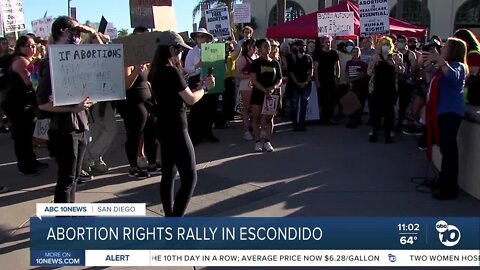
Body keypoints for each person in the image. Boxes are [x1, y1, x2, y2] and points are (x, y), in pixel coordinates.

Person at [148, 31, 215, 217]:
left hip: (162, 125)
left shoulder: (155, 70)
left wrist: (197, 87)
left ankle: (170, 214)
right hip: (176, 127)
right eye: (179, 51)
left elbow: (177, 94)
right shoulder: (171, 71)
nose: (180, 55)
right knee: (190, 177)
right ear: (171, 49)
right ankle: (175, 220)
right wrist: (205, 88)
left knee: (168, 173)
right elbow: (191, 99)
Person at [36, 16, 96, 203]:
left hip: (80, 124)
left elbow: (103, 56)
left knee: (75, 175)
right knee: (67, 177)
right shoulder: (51, 64)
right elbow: (42, 103)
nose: (79, 36)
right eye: (76, 31)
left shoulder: (75, 61)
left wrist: (92, 33)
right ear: (63, 32)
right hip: (63, 129)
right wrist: (73, 107)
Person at [423, 38, 467, 200]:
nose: (442, 49)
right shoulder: (444, 67)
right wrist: (428, 66)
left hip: (451, 112)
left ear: (453, 50)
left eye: (445, 47)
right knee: (444, 149)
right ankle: (443, 180)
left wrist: (440, 61)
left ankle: (449, 188)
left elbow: (453, 77)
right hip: (441, 112)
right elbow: (430, 80)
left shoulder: (458, 66)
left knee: (449, 151)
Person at [1, 36, 48, 175]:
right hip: (17, 104)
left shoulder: (27, 60)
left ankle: (31, 160)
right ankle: (25, 166)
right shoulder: (20, 61)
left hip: (24, 103)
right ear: (20, 47)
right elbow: (30, 83)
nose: (32, 48)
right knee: (22, 137)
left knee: (27, 135)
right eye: (29, 45)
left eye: (34, 45)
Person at [119, 26, 160, 180]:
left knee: (151, 132)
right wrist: (136, 69)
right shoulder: (128, 58)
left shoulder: (145, 57)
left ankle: (152, 163)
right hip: (133, 102)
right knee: (134, 135)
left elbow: (146, 79)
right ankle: (133, 167)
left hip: (146, 100)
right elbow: (126, 84)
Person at [367, 36, 405, 143]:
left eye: (387, 44)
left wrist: (393, 64)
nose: (385, 46)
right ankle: (374, 133)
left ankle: (389, 134)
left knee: (389, 113)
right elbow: (369, 72)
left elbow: (402, 71)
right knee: (376, 113)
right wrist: (374, 63)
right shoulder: (375, 57)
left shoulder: (396, 57)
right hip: (377, 88)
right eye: (383, 44)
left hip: (390, 89)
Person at [185, 28, 219, 145]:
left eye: (203, 36)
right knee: (197, 109)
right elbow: (187, 69)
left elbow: (218, 64)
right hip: (196, 79)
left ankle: (208, 133)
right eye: (198, 37)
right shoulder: (192, 52)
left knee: (210, 108)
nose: (201, 39)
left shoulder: (212, 50)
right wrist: (197, 66)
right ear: (195, 39)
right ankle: (195, 135)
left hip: (209, 78)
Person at [250, 39, 282, 152]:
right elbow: (253, 79)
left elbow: (279, 79)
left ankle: (268, 141)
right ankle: (258, 141)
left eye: (268, 46)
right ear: (259, 48)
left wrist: (273, 88)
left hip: (271, 94)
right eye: (265, 46)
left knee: (269, 118)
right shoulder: (256, 63)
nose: (267, 48)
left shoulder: (275, 63)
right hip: (258, 94)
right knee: (256, 117)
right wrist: (264, 90)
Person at [314, 35, 340, 125]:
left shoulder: (334, 53)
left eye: (329, 42)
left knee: (331, 99)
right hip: (322, 79)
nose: (328, 44)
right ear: (322, 43)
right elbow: (316, 68)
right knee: (323, 99)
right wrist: (317, 81)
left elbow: (337, 66)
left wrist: (338, 78)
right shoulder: (318, 53)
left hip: (331, 79)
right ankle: (323, 118)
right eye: (326, 42)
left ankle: (330, 117)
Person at [235, 39, 257, 140]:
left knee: (255, 107)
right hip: (245, 85)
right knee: (246, 108)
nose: (255, 48)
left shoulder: (256, 57)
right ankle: (247, 131)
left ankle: (254, 127)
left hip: (255, 85)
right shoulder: (242, 58)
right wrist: (249, 76)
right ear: (248, 47)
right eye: (253, 46)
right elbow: (237, 74)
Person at [289, 40, 313, 131]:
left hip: (306, 85)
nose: (302, 48)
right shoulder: (293, 58)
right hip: (295, 85)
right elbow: (291, 73)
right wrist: (298, 83)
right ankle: (295, 125)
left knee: (303, 106)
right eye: (300, 46)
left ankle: (302, 124)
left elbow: (311, 71)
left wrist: (306, 82)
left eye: (303, 46)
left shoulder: (308, 58)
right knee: (294, 106)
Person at [396, 35, 417, 130]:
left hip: (406, 82)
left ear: (405, 43)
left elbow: (414, 68)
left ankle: (401, 121)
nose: (400, 43)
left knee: (404, 103)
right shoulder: (394, 54)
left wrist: (407, 76)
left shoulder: (410, 54)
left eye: (402, 41)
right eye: (398, 41)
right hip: (396, 81)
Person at [345, 46, 369, 128]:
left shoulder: (362, 63)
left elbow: (362, 75)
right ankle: (352, 119)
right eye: (353, 52)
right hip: (351, 85)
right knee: (352, 102)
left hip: (360, 85)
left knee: (359, 102)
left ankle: (357, 119)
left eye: (356, 52)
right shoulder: (349, 62)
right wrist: (348, 80)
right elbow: (347, 72)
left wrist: (353, 80)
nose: (354, 53)